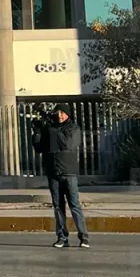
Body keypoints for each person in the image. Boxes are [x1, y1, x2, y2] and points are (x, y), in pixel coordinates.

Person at [31, 103, 89, 249]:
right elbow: (39, 148)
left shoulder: (73, 128)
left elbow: (67, 143)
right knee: (58, 206)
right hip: (53, 172)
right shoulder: (50, 129)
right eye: (58, 113)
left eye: (62, 113)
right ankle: (62, 237)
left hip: (68, 172)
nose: (60, 115)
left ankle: (83, 236)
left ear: (67, 114)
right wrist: (37, 132)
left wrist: (51, 129)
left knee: (74, 205)